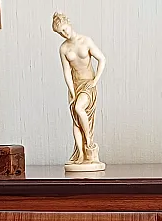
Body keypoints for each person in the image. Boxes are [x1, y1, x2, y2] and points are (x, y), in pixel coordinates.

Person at [54, 13, 107, 171]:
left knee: (79, 108)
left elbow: (102, 59)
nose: (64, 34)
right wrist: (71, 91)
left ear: (69, 24)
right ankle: (81, 154)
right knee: (76, 121)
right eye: (60, 33)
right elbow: (66, 71)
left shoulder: (86, 41)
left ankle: (89, 142)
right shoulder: (63, 48)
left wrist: (95, 81)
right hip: (74, 86)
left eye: (64, 29)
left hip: (88, 84)